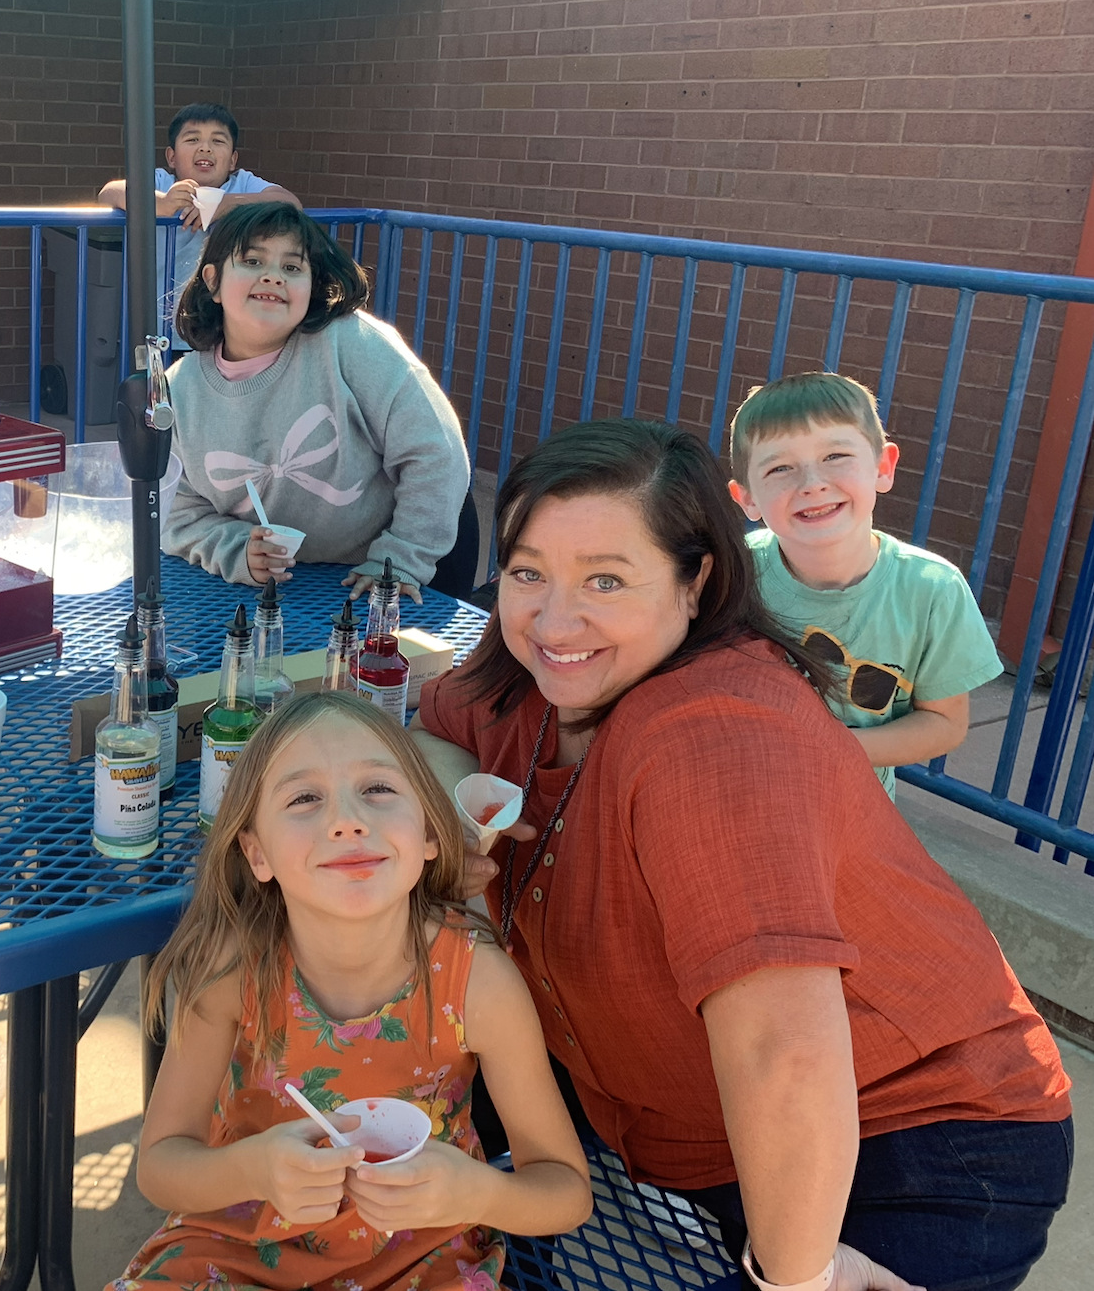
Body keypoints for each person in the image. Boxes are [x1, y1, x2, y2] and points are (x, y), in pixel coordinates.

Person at [409, 419, 1072, 1291]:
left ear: (696, 582)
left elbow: (782, 1052)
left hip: (916, 1150)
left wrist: (800, 1275)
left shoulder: (713, 736)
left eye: (606, 578)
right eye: (528, 571)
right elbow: (433, 723)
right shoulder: (536, 668)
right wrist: (461, 807)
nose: (553, 616)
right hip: (670, 1124)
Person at [112, 692, 591, 1291]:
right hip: (235, 1246)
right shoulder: (233, 969)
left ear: (430, 835)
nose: (347, 819)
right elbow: (161, 1169)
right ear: (256, 852)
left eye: (379, 790)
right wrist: (254, 1170)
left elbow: (566, 1192)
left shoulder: (478, 982)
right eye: (304, 798)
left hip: (423, 1257)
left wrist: (475, 1191)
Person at [162, 201, 471, 599]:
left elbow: (436, 451)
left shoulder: (351, 343)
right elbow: (179, 512)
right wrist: (239, 549)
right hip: (283, 590)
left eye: (292, 268)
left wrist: (400, 560)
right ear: (213, 280)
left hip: (395, 570)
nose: (273, 277)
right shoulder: (179, 391)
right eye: (253, 261)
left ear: (312, 287)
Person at [728, 372, 1002, 798]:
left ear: (883, 467)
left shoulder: (933, 590)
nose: (812, 483)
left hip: (856, 810)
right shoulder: (733, 574)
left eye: (836, 455)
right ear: (746, 498)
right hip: (734, 789)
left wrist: (824, 748)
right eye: (780, 467)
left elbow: (945, 724)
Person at [98, 102, 299, 341]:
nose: (205, 148)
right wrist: (161, 204)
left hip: (222, 328)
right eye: (193, 140)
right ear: (171, 157)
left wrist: (226, 204)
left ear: (233, 160)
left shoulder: (241, 184)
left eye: (218, 141)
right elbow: (108, 193)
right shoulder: (162, 183)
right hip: (159, 327)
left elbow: (289, 203)